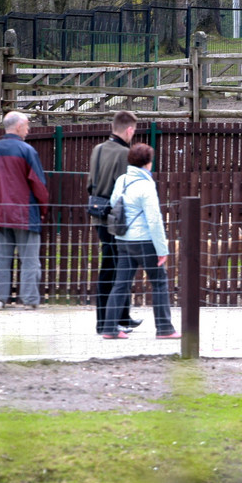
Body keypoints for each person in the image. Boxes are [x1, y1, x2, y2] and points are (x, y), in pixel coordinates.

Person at [101, 143, 181, 340]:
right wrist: (162, 248)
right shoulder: (146, 185)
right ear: (148, 162)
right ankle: (164, 328)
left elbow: (113, 203)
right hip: (144, 241)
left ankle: (110, 328)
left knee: (121, 284)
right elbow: (154, 219)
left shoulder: (122, 180)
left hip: (122, 238)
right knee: (159, 282)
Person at [0, 111, 50, 310]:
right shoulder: (27, 151)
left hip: (0, 213)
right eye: (27, 125)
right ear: (18, 127)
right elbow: (38, 184)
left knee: (0, 259)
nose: (28, 130)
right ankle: (29, 301)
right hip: (26, 214)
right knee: (29, 260)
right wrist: (42, 210)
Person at [88, 110, 141, 334]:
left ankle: (122, 316)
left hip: (98, 215)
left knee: (115, 267)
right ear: (129, 130)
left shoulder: (98, 150)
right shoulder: (124, 154)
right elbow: (125, 191)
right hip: (117, 220)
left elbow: (90, 184)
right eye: (134, 131)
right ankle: (106, 322)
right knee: (115, 270)